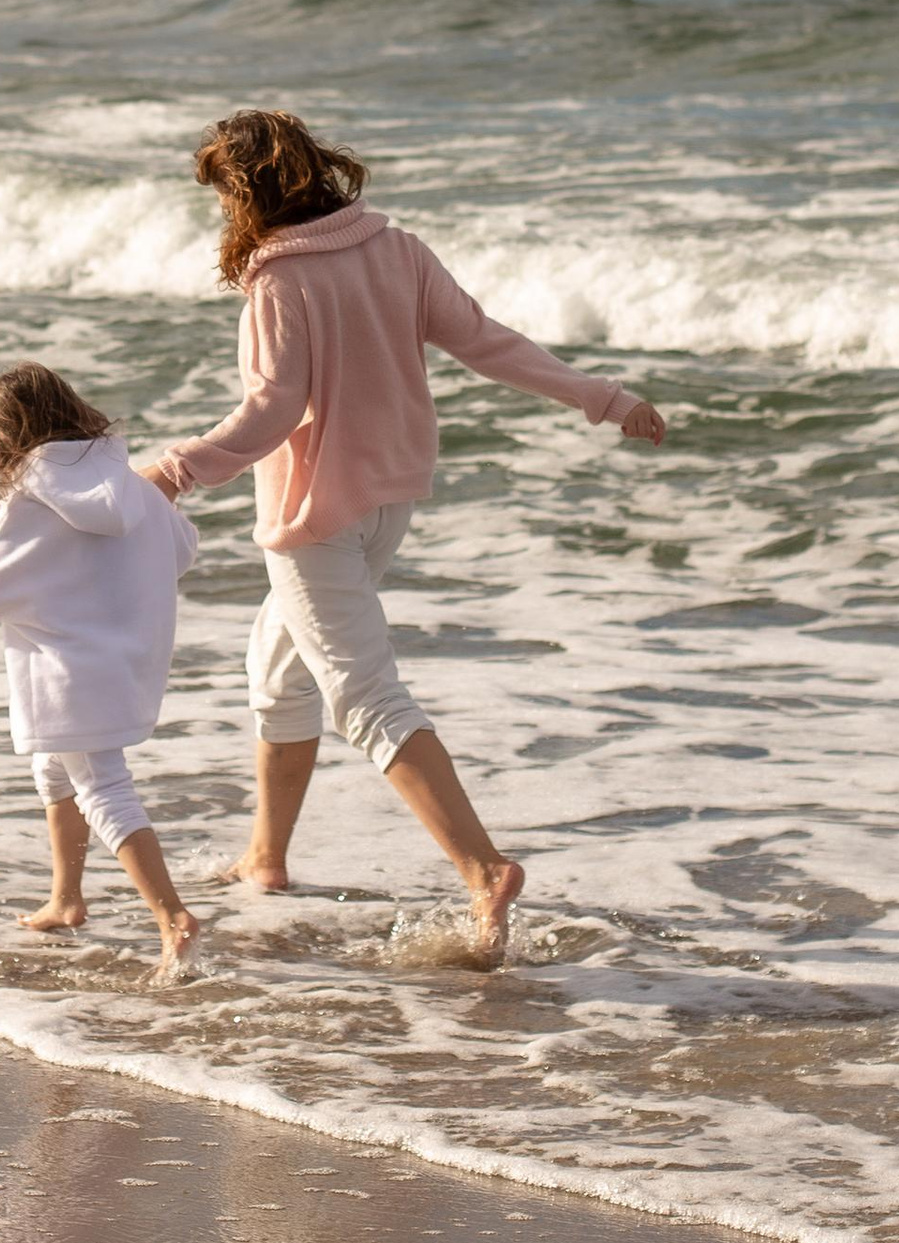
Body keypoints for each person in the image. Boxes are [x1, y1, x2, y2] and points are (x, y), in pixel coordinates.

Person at [141, 108, 666, 948]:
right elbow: (488, 343)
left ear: (245, 193)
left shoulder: (281, 281)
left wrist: (172, 471)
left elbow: (274, 409)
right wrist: (605, 397)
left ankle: (483, 869)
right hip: (388, 504)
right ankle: (265, 857)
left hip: (314, 516)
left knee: (365, 695)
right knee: (280, 674)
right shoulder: (396, 248)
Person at [0, 360, 202, 975]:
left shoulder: (34, 501)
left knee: (104, 788)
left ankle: (173, 918)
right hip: (128, 658)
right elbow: (182, 549)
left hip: (68, 671)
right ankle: (67, 899)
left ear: (2, 439)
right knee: (53, 769)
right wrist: (113, 580)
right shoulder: (132, 485)